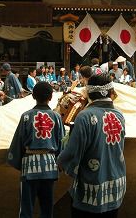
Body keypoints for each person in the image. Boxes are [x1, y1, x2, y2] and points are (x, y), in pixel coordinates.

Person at [57, 73, 126, 217]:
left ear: (89, 92)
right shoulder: (119, 115)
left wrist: (60, 161)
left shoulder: (85, 116)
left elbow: (73, 151)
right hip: (116, 183)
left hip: (91, 185)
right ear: (110, 92)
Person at [7, 81, 64, 218]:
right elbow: (61, 142)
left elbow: (18, 142)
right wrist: (61, 163)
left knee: (26, 206)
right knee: (47, 206)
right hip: (50, 165)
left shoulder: (26, 116)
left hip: (29, 165)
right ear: (51, 96)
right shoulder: (56, 117)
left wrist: (16, 161)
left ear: (33, 96)